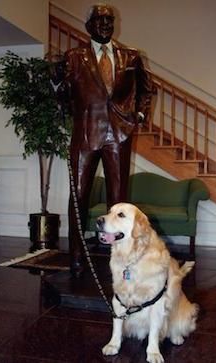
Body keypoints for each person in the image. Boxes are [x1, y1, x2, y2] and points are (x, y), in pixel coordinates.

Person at [65, 3, 153, 277]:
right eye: (99, 20)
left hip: (119, 135)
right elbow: (64, 97)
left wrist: (138, 113)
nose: (105, 25)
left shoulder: (131, 57)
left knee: (119, 200)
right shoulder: (74, 57)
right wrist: (56, 82)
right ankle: (77, 255)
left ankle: (121, 258)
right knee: (78, 196)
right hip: (85, 135)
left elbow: (147, 89)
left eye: (109, 20)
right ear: (88, 25)